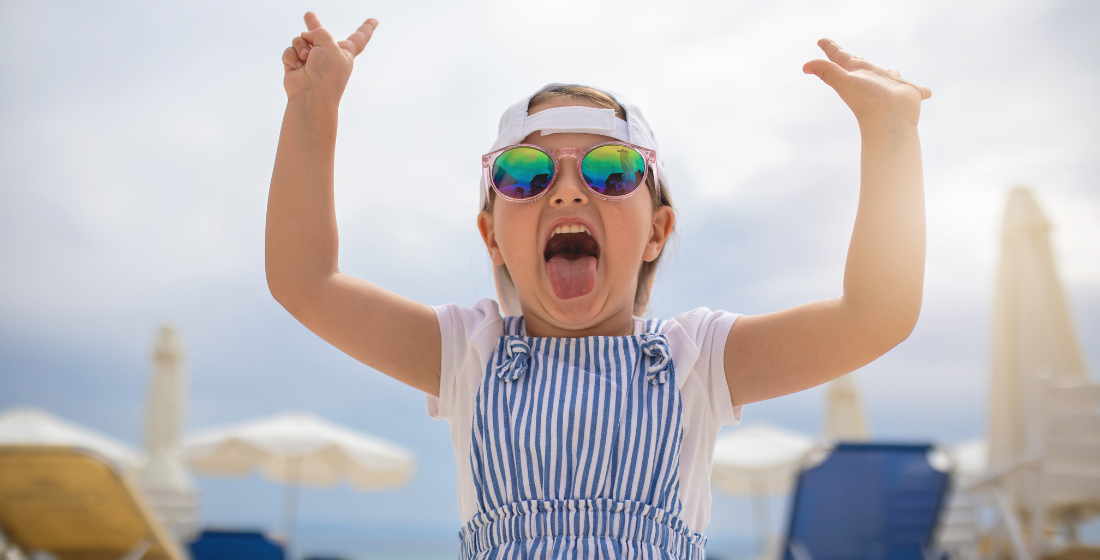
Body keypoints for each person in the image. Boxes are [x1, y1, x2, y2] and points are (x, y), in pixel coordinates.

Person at [267, 12, 931, 560]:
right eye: (526, 175)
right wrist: (313, 106)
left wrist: (892, 131)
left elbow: (877, 315)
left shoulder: (695, 360)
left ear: (656, 232)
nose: (566, 191)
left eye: (610, 171)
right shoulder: (467, 352)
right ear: (492, 237)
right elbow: (306, 280)